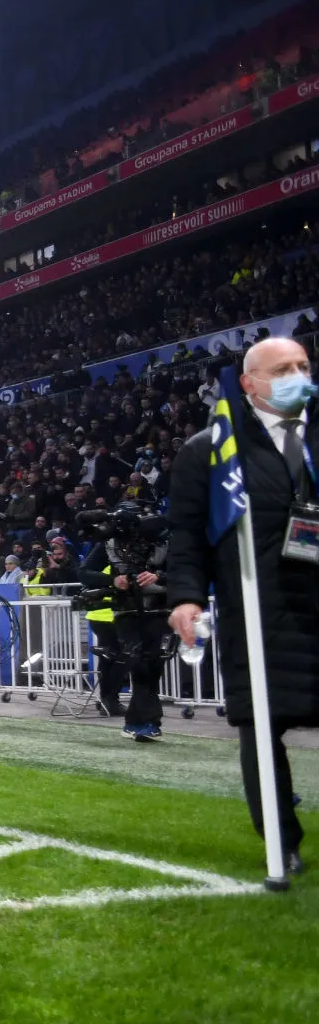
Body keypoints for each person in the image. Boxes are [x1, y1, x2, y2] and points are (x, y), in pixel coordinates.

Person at [168, 337, 318, 877]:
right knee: (262, 727)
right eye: (283, 369)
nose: (298, 374)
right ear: (250, 383)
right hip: (260, 609)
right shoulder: (211, 451)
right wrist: (185, 597)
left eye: (303, 365)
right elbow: (186, 536)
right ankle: (282, 840)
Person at [80, 509, 169, 740]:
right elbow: (84, 572)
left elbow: (186, 567)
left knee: (151, 664)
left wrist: (158, 576)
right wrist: (113, 579)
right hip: (126, 609)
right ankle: (146, 721)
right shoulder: (109, 543)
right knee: (138, 661)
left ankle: (139, 721)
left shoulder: (162, 539)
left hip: (158, 607)